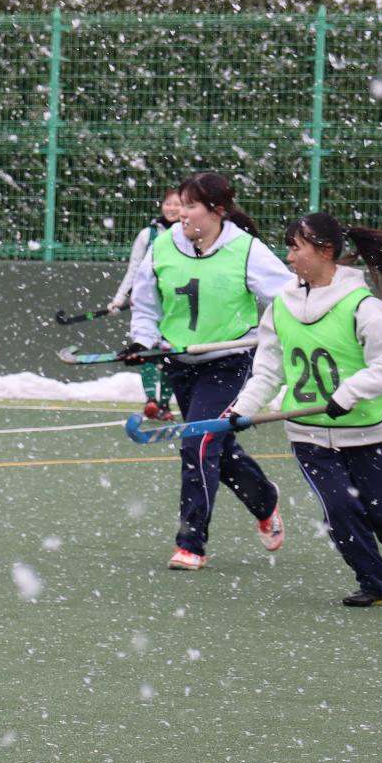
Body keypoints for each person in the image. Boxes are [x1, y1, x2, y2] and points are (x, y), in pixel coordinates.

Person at [224, 214, 382, 607]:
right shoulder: (280, 307)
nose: (290, 257)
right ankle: (374, 583)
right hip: (308, 433)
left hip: (366, 429)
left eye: (297, 247)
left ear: (325, 251)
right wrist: (240, 409)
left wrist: (349, 393)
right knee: (340, 510)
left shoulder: (363, 307)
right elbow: (269, 370)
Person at [123, 171, 294, 570]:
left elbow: (288, 300)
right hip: (180, 364)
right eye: (180, 205)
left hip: (230, 364)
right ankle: (265, 498)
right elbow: (146, 306)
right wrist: (142, 343)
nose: (182, 214)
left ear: (218, 211)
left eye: (191, 206)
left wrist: (275, 338)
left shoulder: (246, 250)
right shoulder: (163, 247)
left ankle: (191, 543)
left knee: (196, 443)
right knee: (218, 448)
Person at [110, 187, 184, 418]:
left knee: (171, 354)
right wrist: (120, 298)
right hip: (151, 303)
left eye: (177, 204)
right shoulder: (147, 235)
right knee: (148, 349)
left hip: (177, 305)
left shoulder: (190, 234)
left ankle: (164, 404)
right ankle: (151, 401)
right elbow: (134, 269)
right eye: (168, 203)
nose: (171, 208)